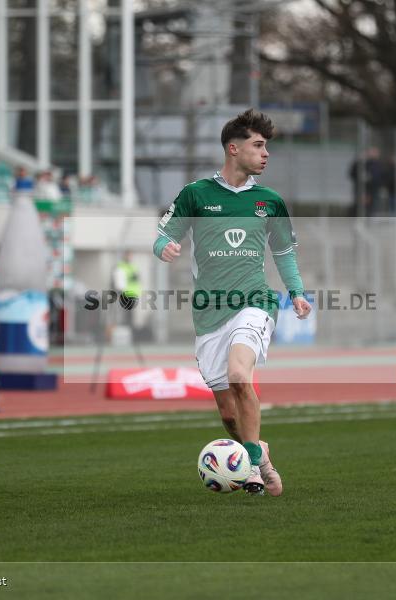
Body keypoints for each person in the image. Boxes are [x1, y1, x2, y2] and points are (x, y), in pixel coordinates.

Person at [154, 109, 311, 496]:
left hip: (254, 301)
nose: (265, 153)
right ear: (233, 148)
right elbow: (163, 234)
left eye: (266, 146)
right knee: (228, 413)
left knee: (242, 376)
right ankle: (259, 453)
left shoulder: (269, 201)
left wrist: (296, 292)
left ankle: (252, 466)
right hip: (209, 313)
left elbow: (284, 252)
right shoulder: (196, 194)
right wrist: (166, 247)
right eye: (258, 145)